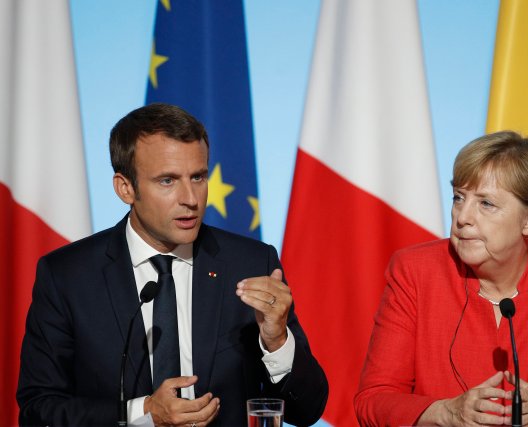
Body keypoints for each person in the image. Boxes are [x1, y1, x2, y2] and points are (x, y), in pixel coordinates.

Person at [17, 103, 328, 426]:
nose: (191, 198)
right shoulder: (69, 276)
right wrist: (143, 413)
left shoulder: (249, 264)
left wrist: (276, 341)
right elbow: (38, 410)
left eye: (198, 177)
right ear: (126, 188)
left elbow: (307, 410)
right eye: (167, 181)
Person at [354, 131, 528, 426]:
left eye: (486, 204)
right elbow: (374, 400)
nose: (462, 217)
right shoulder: (415, 272)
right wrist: (444, 413)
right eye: (459, 198)